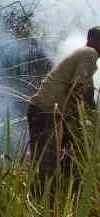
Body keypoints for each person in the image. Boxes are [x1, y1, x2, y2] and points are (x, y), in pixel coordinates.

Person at [28, 28, 100, 196]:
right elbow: (77, 88)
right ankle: (44, 204)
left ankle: (50, 201)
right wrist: (84, 119)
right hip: (47, 111)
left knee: (56, 160)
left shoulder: (85, 55)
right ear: (94, 40)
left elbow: (87, 94)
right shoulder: (89, 53)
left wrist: (93, 116)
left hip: (46, 111)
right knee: (48, 164)